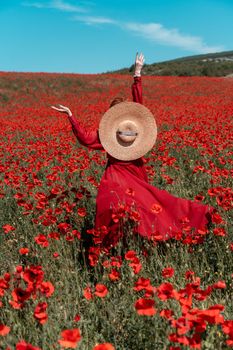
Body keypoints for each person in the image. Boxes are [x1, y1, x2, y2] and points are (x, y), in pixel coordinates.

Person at [51, 53, 213, 249]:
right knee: (122, 209)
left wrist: (137, 73)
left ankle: (137, 242)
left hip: (129, 176)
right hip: (120, 177)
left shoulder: (132, 130)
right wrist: (70, 115)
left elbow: (89, 136)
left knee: (145, 209)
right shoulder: (112, 133)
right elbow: (135, 107)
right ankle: (114, 247)